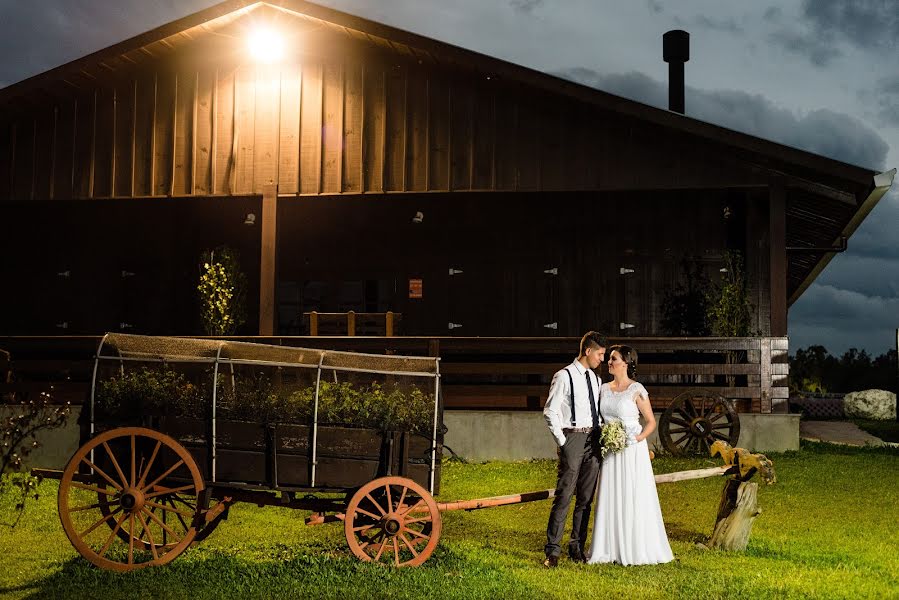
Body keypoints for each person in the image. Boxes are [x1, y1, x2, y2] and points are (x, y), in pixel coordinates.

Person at [587, 344, 673, 565]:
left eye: (613, 359)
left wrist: (636, 439)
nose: (609, 362)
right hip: (610, 450)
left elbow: (651, 421)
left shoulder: (637, 389)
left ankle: (635, 545)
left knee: (632, 494)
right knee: (611, 494)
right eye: (609, 359)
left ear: (625, 363)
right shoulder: (603, 388)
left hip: (632, 450)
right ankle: (609, 547)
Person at [542, 331, 607, 567]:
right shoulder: (564, 376)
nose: (602, 359)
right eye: (600, 354)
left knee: (586, 498)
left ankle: (577, 547)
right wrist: (563, 442)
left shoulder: (597, 380)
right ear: (588, 351)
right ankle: (552, 551)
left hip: (594, 440)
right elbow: (550, 410)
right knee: (564, 495)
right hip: (573, 437)